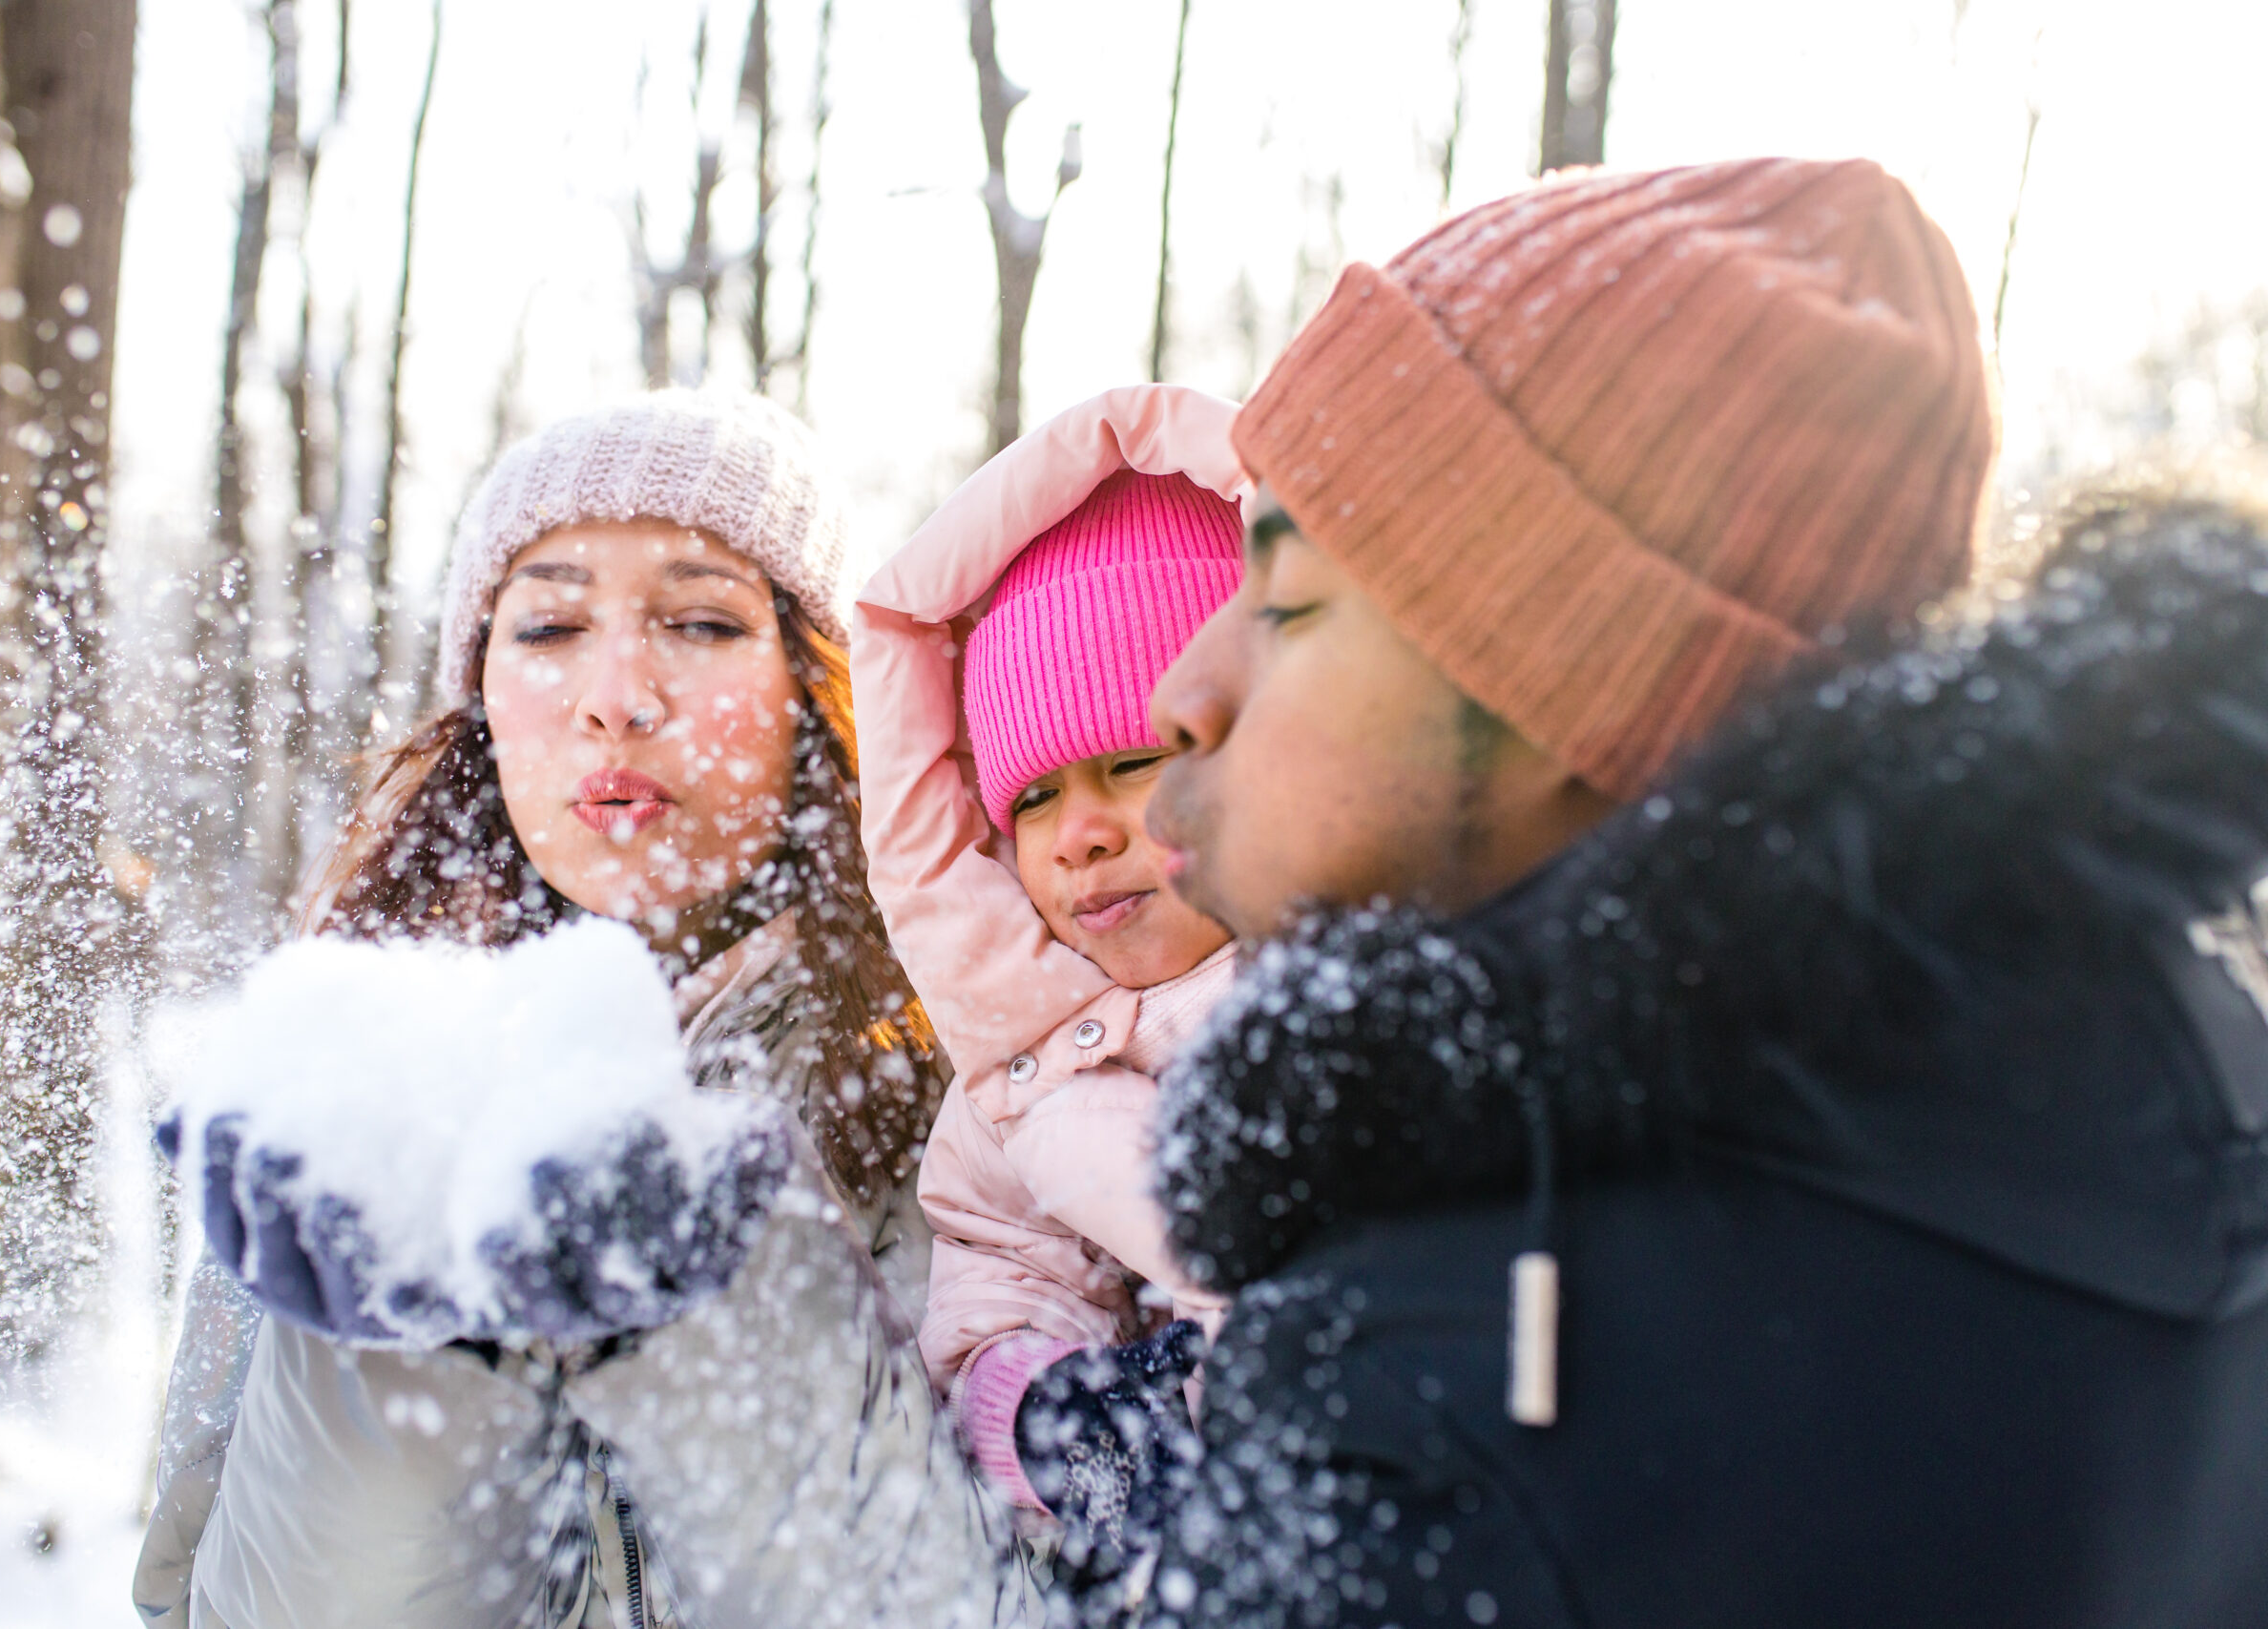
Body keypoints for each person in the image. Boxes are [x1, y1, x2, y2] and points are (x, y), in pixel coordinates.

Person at [1134, 157, 2268, 1626]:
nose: (1181, 690)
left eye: (1287, 601)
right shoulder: (2188, 1124)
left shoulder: (1447, 1394)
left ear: (1565, 679)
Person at [133, 394, 1028, 1629]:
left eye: (703, 618)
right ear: (484, 700)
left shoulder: (983, 1084)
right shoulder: (357, 1099)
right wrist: (395, 1361)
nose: (617, 692)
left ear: (815, 697)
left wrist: (722, 1278)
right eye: (550, 621)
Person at [854, 386, 1244, 1579]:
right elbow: (999, 1292)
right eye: (1029, 798)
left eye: (1131, 764)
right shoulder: (1021, 1079)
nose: (1074, 836)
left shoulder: (1367, 989)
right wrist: (1057, 1415)